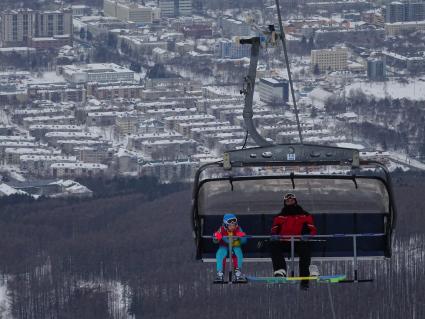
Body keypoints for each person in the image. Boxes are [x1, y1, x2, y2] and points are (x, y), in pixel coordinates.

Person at [269, 193, 318, 289]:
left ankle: (304, 280)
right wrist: (274, 236)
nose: (290, 202)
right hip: (284, 241)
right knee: (274, 246)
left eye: (292, 200)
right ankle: (280, 271)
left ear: (295, 201)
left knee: (305, 251)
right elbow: (273, 231)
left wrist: (307, 236)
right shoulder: (279, 217)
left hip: (298, 240)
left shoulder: (304, 215)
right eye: (287, 201)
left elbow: (313, 230)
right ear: (285, 203)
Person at [213, 213, 247, 282]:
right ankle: (220, 273)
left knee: (238, 253)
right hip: (224, 246)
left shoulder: (238, 229)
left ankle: (238, 273)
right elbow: (215, 240)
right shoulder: (221, 229)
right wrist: (216, 237)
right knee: (220, 254)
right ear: (225, 225)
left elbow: (244, 241)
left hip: (235, 246)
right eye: (230, 225)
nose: (232, 227)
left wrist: (242, 236)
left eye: (234, 225)